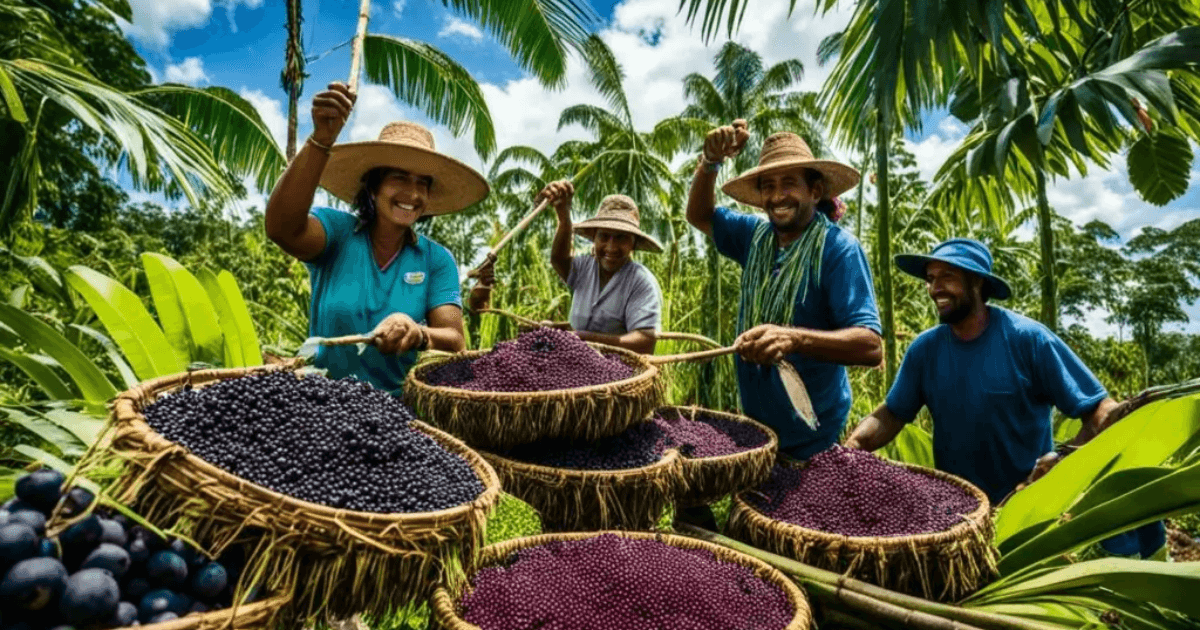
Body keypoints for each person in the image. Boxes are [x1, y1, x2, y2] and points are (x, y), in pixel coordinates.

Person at [843, 239, 1166, 558]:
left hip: (1027, 512)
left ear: (978, 283)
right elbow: (891, 414)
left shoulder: (1028, 339)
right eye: (930, 279)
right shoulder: (926, 351)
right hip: (958, 517)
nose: (934, 288)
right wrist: (854, 447)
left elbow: (1097, 410)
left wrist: (1064, 457)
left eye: (947, 277)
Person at [265, 81, 487, 395]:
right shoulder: (337, 234)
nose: (412, 193)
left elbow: (455, 340)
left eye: (422, 183)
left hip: (394, 413)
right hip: (320, 404)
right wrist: (321, 140)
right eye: (399, 177)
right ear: (373, 187)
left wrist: (418, 333)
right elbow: (281, 228)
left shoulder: (436, 260)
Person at [684, 120, 883, 460]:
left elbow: (870, 346)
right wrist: (710, 162)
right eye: (768, 186)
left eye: (789, 183)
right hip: (759, 430)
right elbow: (699, 215)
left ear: (815, 191)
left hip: (815, 436)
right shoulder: (753, 238)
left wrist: (792, 339)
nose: (777, 196)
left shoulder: (838, 250)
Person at [469, 180, 665, 355]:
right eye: (604, 236)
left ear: (633, 243)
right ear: (594, 237)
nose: (611, 247)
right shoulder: (586, 268)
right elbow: (559, 259)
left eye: (621, 238)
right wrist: (564, 215)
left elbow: (645, 342)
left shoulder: (640, 281)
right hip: (578, 364)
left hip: (620, 373)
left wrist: (585, 339)